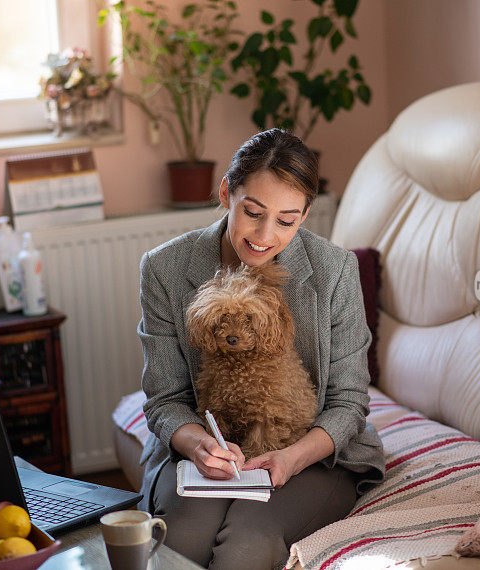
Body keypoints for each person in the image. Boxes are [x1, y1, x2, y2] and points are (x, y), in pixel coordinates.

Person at [137, 128, 385, 569]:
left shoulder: (335, 270)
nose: (264, 235)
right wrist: (199, 446)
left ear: (305, 215)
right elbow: (165, 400)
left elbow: (349, 401)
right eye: (252, 212)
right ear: (226, 193)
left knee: (246, 541)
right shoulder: (165, 268)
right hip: (207, 450)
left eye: (286, 220)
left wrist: (291, 457)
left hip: (311, 452)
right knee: (185, 539)